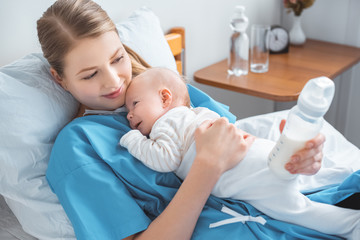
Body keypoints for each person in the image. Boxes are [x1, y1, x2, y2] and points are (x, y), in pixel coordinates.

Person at [37, 0, 329, 239]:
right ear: (59, 79)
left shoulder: (162, 91)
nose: (114, 82)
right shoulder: (77, 147)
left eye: (117, 58)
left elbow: (239, 147)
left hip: (270, 208)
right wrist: (207, 166)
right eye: (90, 74)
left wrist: (295, 162)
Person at [120, 67, 360, 239]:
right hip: (258, 150)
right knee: (304, 176)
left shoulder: (166, 124)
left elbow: (165, 158)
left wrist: (134, 141)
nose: (129, 115)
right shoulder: (198, 112)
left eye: (134, 104)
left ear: (165, 98)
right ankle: (344, 174)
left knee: (297, 211)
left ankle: (351, 225)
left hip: (246, 176)